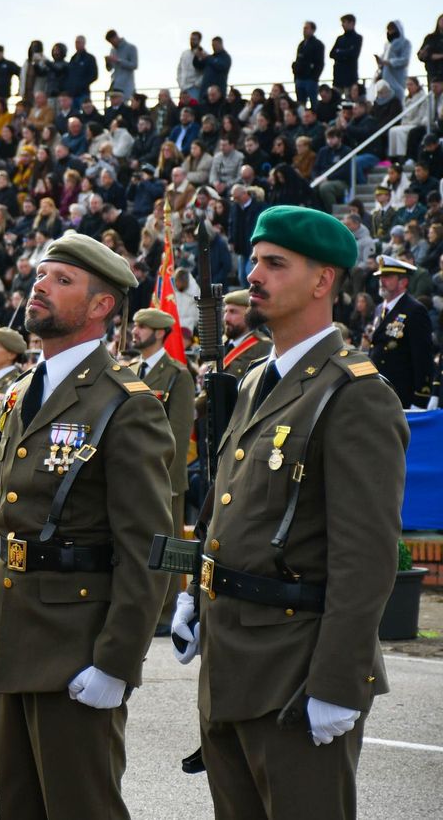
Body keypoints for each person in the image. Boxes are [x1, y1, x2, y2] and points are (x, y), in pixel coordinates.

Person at [170, 206, 407, 820]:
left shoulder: (354, 394)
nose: (254, 275)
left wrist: (337, 682)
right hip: (230, 659)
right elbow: (228, 503)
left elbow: (366, 557)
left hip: (296, 669)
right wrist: (195, 593)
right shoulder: (256, 381)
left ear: (323, 280)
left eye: (275, 264)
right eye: (255, 261)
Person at [0, 232, 172, 820]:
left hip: (77, 642)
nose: (40, 287)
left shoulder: (125, 402)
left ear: (101, 305)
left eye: (61, 280)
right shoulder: (21, 393)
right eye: (40, 276)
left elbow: (147, 546)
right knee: (19, 807)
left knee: (82, 807)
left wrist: (117, 661)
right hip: (12, 631)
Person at [128, 308, 195, 630]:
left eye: (142, 327)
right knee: (135, 544)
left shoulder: (177, 375)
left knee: (165, 544)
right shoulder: (129, 370)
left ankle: (165, 613)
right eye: (135, 325)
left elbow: (178, 434)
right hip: (129, 471)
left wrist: (166, 478)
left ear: (159, 332)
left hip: (161, 474)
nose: (135, 331)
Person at [365, 255, 436, 408]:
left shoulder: (414, 310)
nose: (382, 281)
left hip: (401, 393)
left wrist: (420, 398)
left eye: (388, 277)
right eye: (380, 277)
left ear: (403, 282)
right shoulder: (379, 309)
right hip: (377, 390)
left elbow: (422, 356)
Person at [221, 289, 272, 377]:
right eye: (225, 311)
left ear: (249, 315)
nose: (226, 318)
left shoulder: (263, 347)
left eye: (233, 312)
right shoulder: (221, 342)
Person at [293, 21, 326, 106]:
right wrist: (296, 75)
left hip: (310, 80)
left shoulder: (318, 44)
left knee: (314, 104)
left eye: (306, 28)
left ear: (313, 30)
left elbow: (320, 63)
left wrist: (314, 77)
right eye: (304, 28)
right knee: (300, 105)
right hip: (300, 79)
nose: (304, 30)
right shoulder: (301, 44)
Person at [330, 15, 363, 94]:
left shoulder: (357, 38)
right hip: (338, 78)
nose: (342, 25)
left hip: (350, 78)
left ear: (352, 23)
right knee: (336, 99)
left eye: (344, 22)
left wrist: (339, 52)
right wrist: (346, 52)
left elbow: (354, 55)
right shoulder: (340, 39)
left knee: (349, 100)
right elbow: (331, 54)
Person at [104, 30, 137, 97]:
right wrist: (108, 62)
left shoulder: (131, 48)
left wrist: (118, 61)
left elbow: (134, 65)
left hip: (127, 86)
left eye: (112, 41)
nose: (112, 44)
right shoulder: (113, 50)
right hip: (115, 85)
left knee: (125, 102)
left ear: (116, 37)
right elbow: (110, 69)